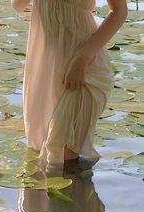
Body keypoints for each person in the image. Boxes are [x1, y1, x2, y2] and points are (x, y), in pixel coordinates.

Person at [11, 0, 127, 171]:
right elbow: (17, 5)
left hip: (83, 66)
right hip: (45, 66)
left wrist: (83, 58)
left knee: (63, 157)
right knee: (41, 157)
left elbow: (119, 11)